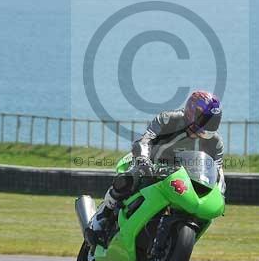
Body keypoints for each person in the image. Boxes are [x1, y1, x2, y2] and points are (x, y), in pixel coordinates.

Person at [86, 90, 225, 245]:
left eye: (213, 120)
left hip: (183, 175)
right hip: (151, 164)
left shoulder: (215, 142)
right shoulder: (168, 119)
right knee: (128, 179)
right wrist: (143, 161)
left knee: (200, 209)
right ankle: (101, 216)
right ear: (192, 111)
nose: (208, 124)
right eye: (205, 118)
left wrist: (219, 191)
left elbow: (217, 170)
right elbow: (145, 140)